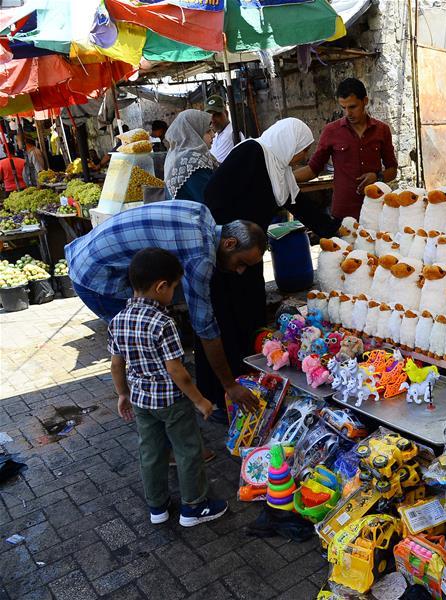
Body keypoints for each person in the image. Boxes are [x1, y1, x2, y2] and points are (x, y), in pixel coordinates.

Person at [65, 200, 263, 412]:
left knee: (161, 346)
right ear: (229, 243)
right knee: (153, 356)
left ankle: (162, 416)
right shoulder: (200, 257)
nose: (240, 271)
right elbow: (205, 328)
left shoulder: (202, 212)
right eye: (241, 263)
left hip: (84, 252)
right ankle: (165, 423)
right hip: (95, 276)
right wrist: (230, 385)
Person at [199, 118, 318, 413]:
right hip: (226, 255)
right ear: (288, 141)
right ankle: (217, 395)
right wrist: (235, 235)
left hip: (248, 257)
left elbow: (299, 205)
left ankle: (253, 381)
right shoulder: (251, 153)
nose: (303, 156)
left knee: (250, 317)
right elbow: (214, 196)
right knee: (222, 321)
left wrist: (336, 230)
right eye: (302, 149)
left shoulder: (280, 171)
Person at [109, 247, 228, 527]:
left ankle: (157, 507)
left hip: (140, 401)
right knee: (188, 450)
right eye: (173, 288)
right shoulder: (163, 323)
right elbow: (177, 371)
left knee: (150, 451)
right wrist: (200, 401)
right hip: (171, 402)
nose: (174, 293)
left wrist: (122, 394)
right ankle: (194, 507)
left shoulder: (118, 320)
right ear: (161, 286)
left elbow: (116, 365)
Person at [295, 78, 398, 220]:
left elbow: (392, 171)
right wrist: (285, 178)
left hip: (377, 210)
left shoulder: (382, 130)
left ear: (365, 101)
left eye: (352, 107)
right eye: (343, 108)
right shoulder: (331, 131)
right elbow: (313, 169)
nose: (348, 113)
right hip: (344, 213)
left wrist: (377, 177)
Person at [164, 109, 218, 202]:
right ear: (193, 132)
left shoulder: (176, 154)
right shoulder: (191, 161)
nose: (213, 135)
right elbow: (211, 200)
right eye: (208, 131)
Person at [205, 95, 244, 163]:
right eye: (209, 116)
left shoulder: (231, 134)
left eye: (217, 115)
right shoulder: (216, 135)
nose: (212, 119)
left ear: (226, 113)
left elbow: (215, 164)